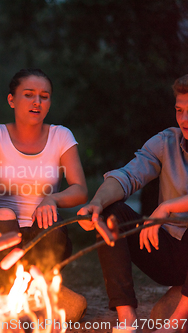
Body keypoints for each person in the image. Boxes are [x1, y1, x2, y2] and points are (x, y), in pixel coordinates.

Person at [77, 75, 188, 332]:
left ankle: (175, 321)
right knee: (109, 213)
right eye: (179, 110)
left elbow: (169, 207)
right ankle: (127, 319)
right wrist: (96, 202)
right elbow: (127, 176)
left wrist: (167, 207)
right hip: (167, 249)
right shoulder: (166, 141)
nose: (183, 119)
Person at [0, 69, 88, 277]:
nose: (37, 102)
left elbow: (80, 190)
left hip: (46, 234)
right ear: (11, 100)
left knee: (52, 224)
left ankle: (39, 288)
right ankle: (5, 287)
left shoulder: (61, 136)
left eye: (44, 97)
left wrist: (52, 199)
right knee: (3, 214)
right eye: (28, 95)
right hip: (4, 233)